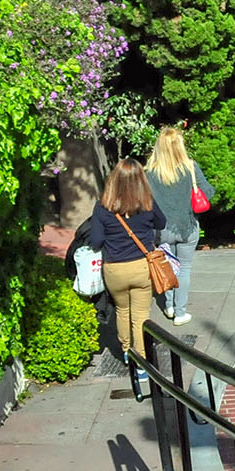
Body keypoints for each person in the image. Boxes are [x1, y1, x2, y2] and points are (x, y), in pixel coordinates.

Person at [91, 159, 168, 397]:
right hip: (141, 266)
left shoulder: (102, 208)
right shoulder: (146, 204)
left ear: (113, 180)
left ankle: (127, 352)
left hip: (114, 268)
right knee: (141, 315)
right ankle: (143, 364)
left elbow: (95, 241)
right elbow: (162, 222)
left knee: (123, 311)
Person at [146, 128, 214, 328]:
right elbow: (208, 192)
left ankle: (168, 306)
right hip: (187, 226)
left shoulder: (150, 172)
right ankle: (180, 312)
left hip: (160, 229)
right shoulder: (191, 167)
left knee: (166, 265)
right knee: (184, 268)